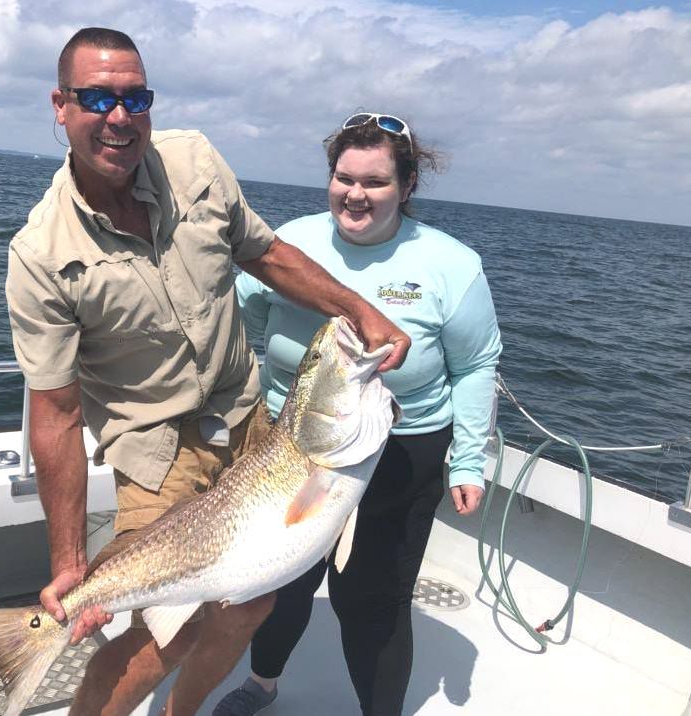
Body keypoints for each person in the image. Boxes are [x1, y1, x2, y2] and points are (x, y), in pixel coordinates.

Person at [5, 29, 412, 716]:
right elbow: (57, 414)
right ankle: (37, 640)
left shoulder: (193, 161)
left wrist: (358, 310)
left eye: (135, 97)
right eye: (98, 97)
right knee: (164, 635)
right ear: (60, 105)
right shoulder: (41, 253)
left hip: (249, 422)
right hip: (154, 448)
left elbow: (267, 254)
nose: (118, 116)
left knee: (249, 604)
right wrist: (69, 560)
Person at [214, 113, 502, 716]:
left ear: (407, 185)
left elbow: (475, 365)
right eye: (344, 178)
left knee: (372, 598)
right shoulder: (291, 243)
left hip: (400, 449)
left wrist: (469, 460)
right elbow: (249, 323)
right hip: (287, 445)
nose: (356, 194)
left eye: (375, 182)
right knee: (280, 579)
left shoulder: (451, 265)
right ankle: (261, 684)